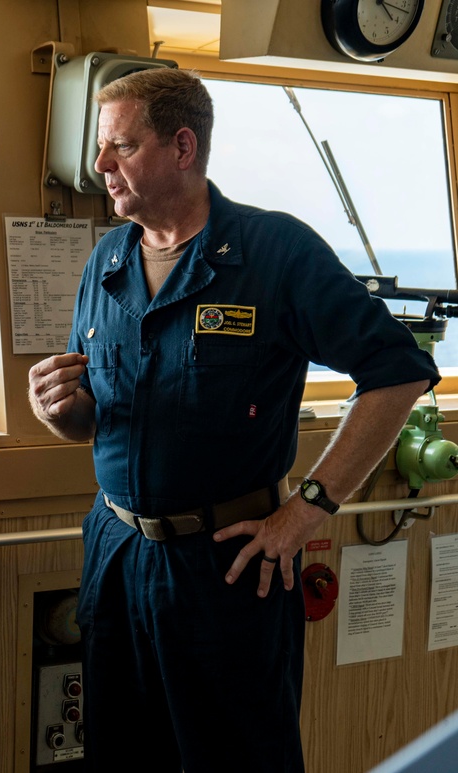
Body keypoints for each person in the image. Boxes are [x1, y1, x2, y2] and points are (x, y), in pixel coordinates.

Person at [28, 68, 440, 772]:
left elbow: (398, 372)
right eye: (103, 148)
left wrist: (308, 508)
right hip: (117, 552)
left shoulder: (274, 252)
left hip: (229, 562)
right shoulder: (107, 261)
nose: (100, 167)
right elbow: (98, 421)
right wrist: (59, 413)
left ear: (182, 148)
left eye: (120, 147)